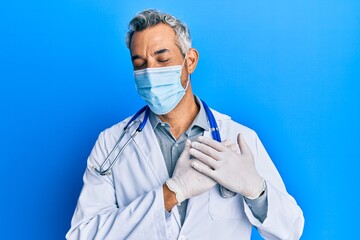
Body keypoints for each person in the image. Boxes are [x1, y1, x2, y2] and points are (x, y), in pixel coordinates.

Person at [66, 9, 304, 240]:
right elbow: (83, 235)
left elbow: (290, 230)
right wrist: (171, 193)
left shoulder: (240, 138)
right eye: (139, 64)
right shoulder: (111, 144)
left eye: (162, 59)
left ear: (189, 61)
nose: (149, 73)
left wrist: (256, 190)